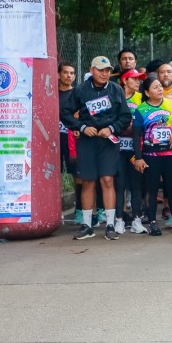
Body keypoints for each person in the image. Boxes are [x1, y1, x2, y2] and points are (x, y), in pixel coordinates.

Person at [61, 56, 132, 241]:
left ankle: (110, 224)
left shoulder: (116, 90)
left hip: (108, 141)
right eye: (100, 70)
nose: (104, 73)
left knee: (108, 179)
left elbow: (125, 117)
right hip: (87, 140)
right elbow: (65, 113)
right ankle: (87, 225)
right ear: (92, 70)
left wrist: (112, 128)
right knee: (88, 181)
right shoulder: (80, 90)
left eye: (107, 70)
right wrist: (82, 127)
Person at [132, 76, 172, 236]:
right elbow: (136, 136)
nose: (160, 89)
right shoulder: (141, 109)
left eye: (160, 87)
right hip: (151, 155)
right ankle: (153, 222)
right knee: (152, 188)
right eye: (155, 87)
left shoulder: (171, 104)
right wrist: (138, 157)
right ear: (148, 92)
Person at [117, 69, 146, 234]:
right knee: (119, 185)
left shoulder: (141, 98)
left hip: (136, 148)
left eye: (139, 80)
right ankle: (119, 219)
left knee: (136, 184)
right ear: (125, 81)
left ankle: (136, 219)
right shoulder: (116, 98)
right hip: (118, 148)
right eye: (134, 79)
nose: (138, 82)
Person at [57, 62, 79, 215]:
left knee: (76, 174)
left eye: (72, 73)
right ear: (58, 75)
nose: (69, 76)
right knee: (53, 173)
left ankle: (79, 209)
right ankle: (53, 208)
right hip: (53, 139)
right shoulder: (51, 93)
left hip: (72, 139)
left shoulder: (77, 94)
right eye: (65, 72)